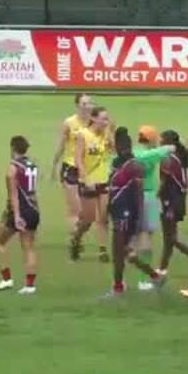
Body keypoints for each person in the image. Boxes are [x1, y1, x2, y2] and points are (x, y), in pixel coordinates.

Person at [104, 130, 165, 296]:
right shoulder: (116, 163)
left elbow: (138, 193)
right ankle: (155, 276)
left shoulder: (134, 165)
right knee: (124, 251)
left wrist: (138, 217)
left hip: (126, 212)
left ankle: (118, 287)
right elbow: (112, 187)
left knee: (118, 251)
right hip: (118, 209)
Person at [127, 126, 176, 290]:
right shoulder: (148, 155)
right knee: (146, 238)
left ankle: (124, 277)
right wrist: (165, 149)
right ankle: (144, 279)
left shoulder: (134, 151)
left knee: (132, 238)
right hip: (149, 197)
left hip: (132, 198)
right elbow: (148, 156)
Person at [0, 136, 40, 295]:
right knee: (29, 247)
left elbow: (13, 195)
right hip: (34, 209)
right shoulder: (32, 165)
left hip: (20, 211)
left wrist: (17, 216)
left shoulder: (13, 168)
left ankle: (6, 279)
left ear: (12, 148)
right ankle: (30, 285)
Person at [156, 130, 188, 281]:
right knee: (169, 237)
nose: (159, 141)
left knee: (171, 238)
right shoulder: (180, 155)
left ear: (167, 142)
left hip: (170, 200)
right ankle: (162, 270)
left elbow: (163, 183)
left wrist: (155, 197)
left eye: (161, 139)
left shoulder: (167, 159)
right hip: (178, 199)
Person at [70, 107, 113, 263]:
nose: (105, 122)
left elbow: (112, 152)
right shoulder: (84, 135)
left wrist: (111, 136)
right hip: (88, 181)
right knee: (88, 219)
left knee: (103, 217)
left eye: (107, 119)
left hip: (103, 180)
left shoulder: (105, 136)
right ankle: (76, 238)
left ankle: (102, 250)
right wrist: (84, 178)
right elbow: (78, 159)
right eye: (103, 119)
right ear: (94, 119)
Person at [51, 93, 94, 232]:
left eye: (89, 103)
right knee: (74, 207)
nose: (87, 107)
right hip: (70, 166)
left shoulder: (95, 123)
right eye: (84, 104)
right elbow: (61, 143)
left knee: (88, 211)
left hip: (89, 168)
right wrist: (55, 163)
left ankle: (78, 234)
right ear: (77, 106)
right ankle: (74, 238)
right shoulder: (70, 122)